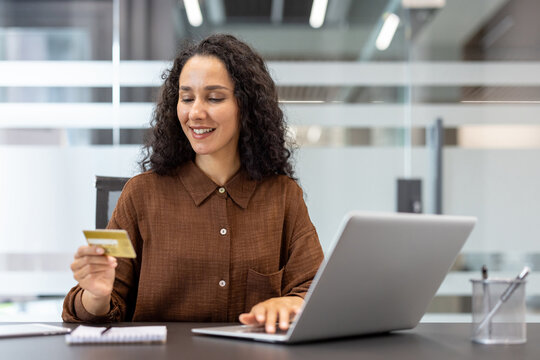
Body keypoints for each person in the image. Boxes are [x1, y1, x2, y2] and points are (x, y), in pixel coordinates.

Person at [62, 34, 324, 334]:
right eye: (186, 98)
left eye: (214, 98)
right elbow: (94, 315)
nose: (195, 113)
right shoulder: (142, 194)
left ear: (246, 106)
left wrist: (291, 303)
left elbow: (314, 291)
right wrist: (97, 295)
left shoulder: (283, 196)